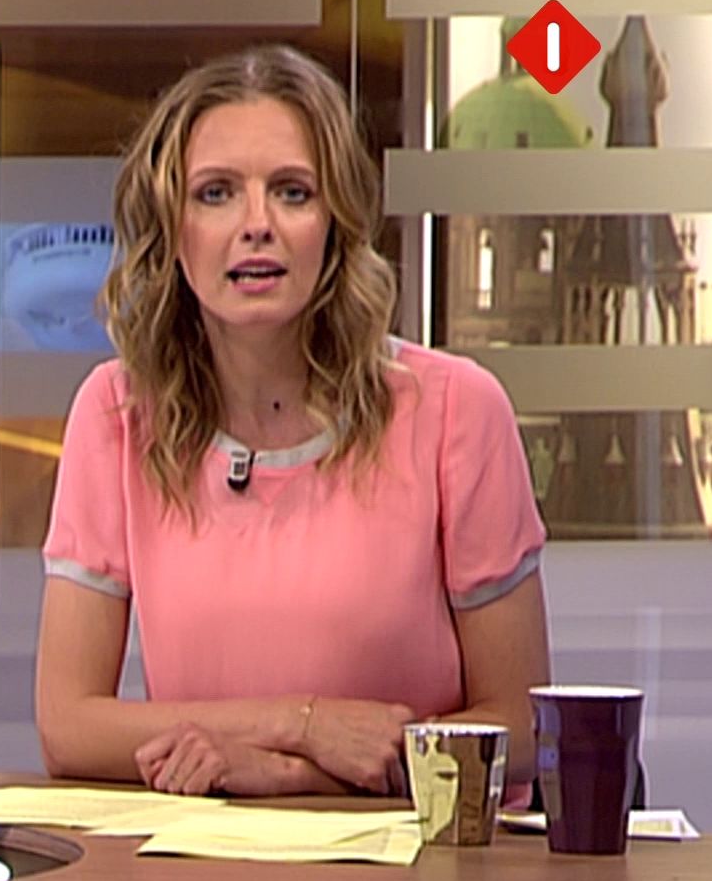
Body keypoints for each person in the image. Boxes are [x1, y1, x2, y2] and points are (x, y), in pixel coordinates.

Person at [35, 44, 551, 799]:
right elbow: (69, 726)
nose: (257, 225)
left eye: (292, 192)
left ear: (335, 223)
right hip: (202, 858)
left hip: (417, 863)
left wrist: (280, 776)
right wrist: (301, 725)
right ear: (170, 228)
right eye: (216, 193)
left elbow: (521, 732)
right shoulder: (116, 414)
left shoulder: (454, 411)